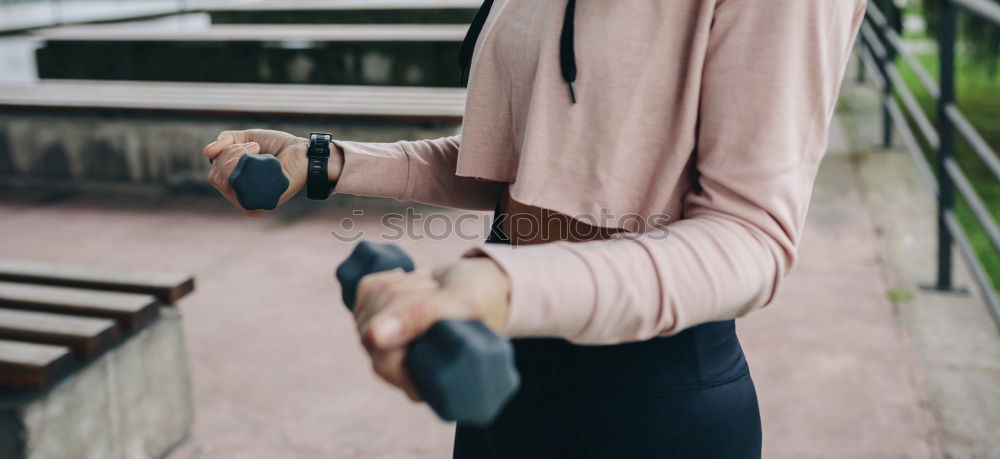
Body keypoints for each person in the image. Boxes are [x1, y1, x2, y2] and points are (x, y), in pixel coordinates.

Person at [204, 1, 866, 457]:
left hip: (648, 397)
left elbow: (751, 233)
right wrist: (325, 163)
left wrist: (499, 285)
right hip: (504, 363)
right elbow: (525, 164)